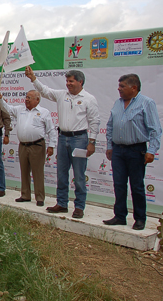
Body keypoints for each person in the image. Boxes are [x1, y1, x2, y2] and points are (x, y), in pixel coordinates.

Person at [25, 66, 100, 219]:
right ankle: (62, 203)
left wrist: (92, 141)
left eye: (71, 81)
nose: (68, 84)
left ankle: (79, 207)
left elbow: (94, 121)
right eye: (67, 81)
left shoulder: (89, 99)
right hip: (63, 138)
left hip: (79, 139)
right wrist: (33, 78)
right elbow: (45, 91)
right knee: (61, 174)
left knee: (79, 175)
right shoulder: (61, 95)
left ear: (80, 82)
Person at [103, 74, 162, 231]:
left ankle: (140, 218)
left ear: (133, 88)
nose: (119, 89)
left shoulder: (146, 103)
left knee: (136, 186)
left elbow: (155, 129)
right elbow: (110, 126)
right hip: (118, 150)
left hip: (137, 150)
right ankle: (120, 216)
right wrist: (110, 146)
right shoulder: (117, 103)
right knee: (119, 184)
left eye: (122, 86)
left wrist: (152, 150)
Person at [0, 90, 57, 206]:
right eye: (26, 97)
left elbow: (51, 130)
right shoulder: (20, 110)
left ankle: (39, 197)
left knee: (37, 172)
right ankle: (25, 195)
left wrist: (51, 145)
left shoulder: (44, 112)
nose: (27, 99)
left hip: (37, 145)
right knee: (24, 171)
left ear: (37, 100)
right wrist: (0, 99)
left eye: (29, 98)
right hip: (23, 145)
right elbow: (7, 108)